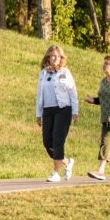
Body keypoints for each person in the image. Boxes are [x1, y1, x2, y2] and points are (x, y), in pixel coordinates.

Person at [35, 45, 79, 183]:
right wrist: (38, 114)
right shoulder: (43, 73)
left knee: (57, 140)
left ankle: (55, 173)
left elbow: (73, 92)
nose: (55, 58)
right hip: (48, 110)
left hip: (63, 109)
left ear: (61, 58)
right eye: (53, 55)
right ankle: (66, 161)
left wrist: (75, 111)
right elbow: (39, 95)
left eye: (58, 56)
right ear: (48, 57)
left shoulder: (65, 72)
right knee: (47, 142)